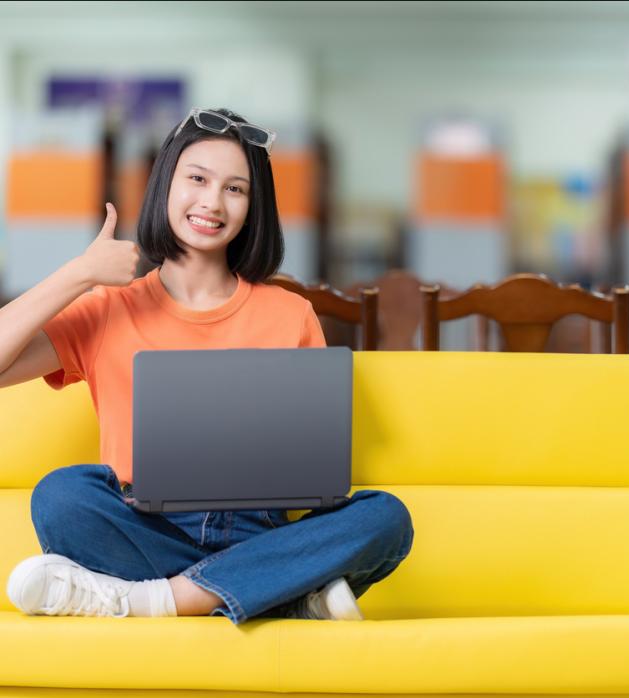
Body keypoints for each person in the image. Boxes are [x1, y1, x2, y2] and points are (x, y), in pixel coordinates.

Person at [1, 107, 414, 624]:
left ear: (252, 207)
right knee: (59, 497)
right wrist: (79, 274)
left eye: (235, 189)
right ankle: (281, 594)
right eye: (197, 179)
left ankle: (157, 600)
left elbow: (313, 459)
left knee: (386, 518)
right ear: (165, 185)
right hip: (144, 525)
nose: (212, 202)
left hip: (259, 529)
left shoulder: (291, 314)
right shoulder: (108, 306)